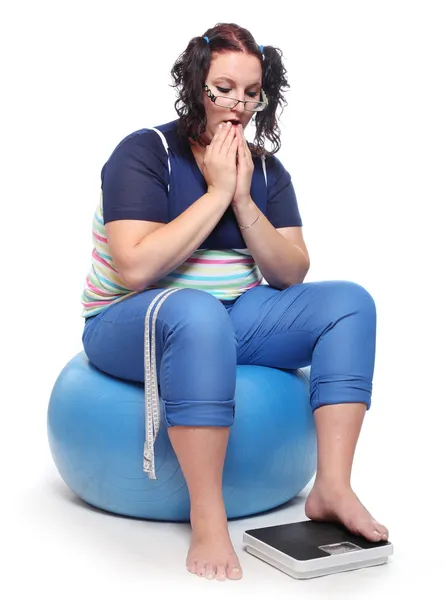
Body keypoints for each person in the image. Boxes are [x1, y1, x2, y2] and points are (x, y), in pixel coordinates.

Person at [80, 22, 389, 581]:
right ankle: (207, 512)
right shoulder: (144, 151)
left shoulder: (266, 168)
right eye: (224, 88)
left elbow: (291, 271)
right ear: (197, 83)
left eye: (251, 92)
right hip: (128, 319)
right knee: (195, 310)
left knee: (350, 303)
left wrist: (243, 196)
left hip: (231, 317)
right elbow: (136, 266)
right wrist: (216, 191)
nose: (238, 104)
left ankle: (333, 488)